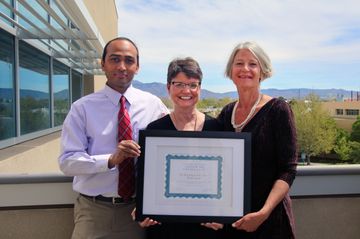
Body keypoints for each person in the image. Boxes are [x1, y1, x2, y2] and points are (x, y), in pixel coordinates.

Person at [58, 37, 169, 239]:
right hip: (94, 211)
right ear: (103, 64)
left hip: (137, 212)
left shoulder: (154, 105)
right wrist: (110, 160)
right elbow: (67, 163)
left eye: (129, 60)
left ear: (138, 66)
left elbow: (170, 147)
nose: (122, 66)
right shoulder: (82, 108)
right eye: (114, 59)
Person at [217, 41, 298, 239]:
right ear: (231, 70)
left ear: (262, 71)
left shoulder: (278, 110)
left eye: (252, 64)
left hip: (269, 220)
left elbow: (288, 170)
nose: (245, 69)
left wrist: (263, 213)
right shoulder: (227, 113)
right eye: (239, 63)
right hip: (233, 221)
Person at [139, 57, 223, 239]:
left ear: (200, 88)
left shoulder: (217, 129)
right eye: (179, 84)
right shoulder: (155, 131)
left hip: (206, 226)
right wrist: (142, 207)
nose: (186, 91)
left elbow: (227, 177)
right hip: (165, 226)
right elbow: (145, 177)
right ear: (168, 87)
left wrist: (224, 213)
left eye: (193, 85)